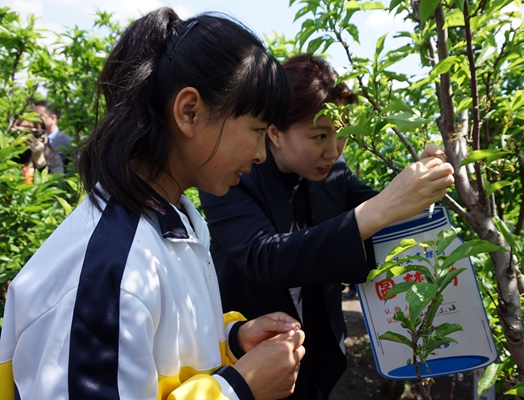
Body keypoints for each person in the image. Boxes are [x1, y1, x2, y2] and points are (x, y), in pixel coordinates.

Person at [0, 8, 306, 400]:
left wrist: (231, 339)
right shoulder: (108, 276)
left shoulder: (173, 221)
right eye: (257, 130)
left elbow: (155, 353)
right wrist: (239, 388)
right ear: (189, 112)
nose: (261, 154)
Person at [199, 54, 455, 399]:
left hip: (318, 348)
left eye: (341, 134)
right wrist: (385, 205)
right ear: (275, 132)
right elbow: (266, 257)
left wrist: (424, 183)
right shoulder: (233, 175)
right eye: (319, 136)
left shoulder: (333, 170)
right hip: (251, 355)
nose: (333, 151)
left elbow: (386, 215)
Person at [11, 116, 64, 182]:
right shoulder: (10, 154)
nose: (29, 136)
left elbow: (59, 184)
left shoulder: (52, 156)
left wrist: (40, 161)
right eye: (25, 131)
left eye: (35, 133)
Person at [34, 100, 74, 167]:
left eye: (39, 116)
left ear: (53, 118)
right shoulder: (30, 139)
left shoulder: (69, 143)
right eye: (32, 115)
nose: (34, 119)